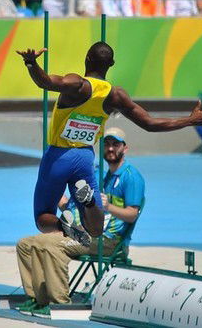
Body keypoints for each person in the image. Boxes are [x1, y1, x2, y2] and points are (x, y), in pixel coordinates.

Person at [15, 42, 202, 246]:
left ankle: (64, 227)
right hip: (84, 158)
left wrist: (31, 63)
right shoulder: (116, 96)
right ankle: (89, 202)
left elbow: (46, 82)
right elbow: (150, 124)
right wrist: (189, 120)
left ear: (86, 58)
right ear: (111, 64)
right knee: (95, 229)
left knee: (42, 217)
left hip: (59, 157)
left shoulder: (77, 84)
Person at [15, 127, 145, 316]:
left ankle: (59, 301)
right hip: (81, 231)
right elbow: (76, 204)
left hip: (108, 240)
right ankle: (36, 298)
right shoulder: (96, 172)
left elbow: (132, 214)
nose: (110, 149)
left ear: (125, 148)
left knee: (51, 246)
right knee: (27, 244)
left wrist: (109, 207)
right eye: (107, 144)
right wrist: (60, 200)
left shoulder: (131, 177)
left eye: (115, 145)